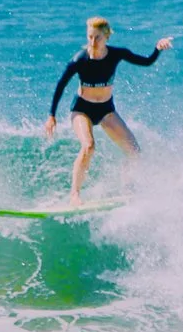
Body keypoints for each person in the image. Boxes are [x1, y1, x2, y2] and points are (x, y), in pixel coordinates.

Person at [43, 16, 173, 204]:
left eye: (97, 38)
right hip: (82, 109)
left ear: (106, 37)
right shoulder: (79, 60)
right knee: (88, 146)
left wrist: (158, 48)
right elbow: (61, 85)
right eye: (90, 37)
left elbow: (146, 62)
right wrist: (51, 116)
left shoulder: (116, 54)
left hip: (105, 109)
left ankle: (126, 187)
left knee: (134, 151)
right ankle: (74, 194)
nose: (93, 42)